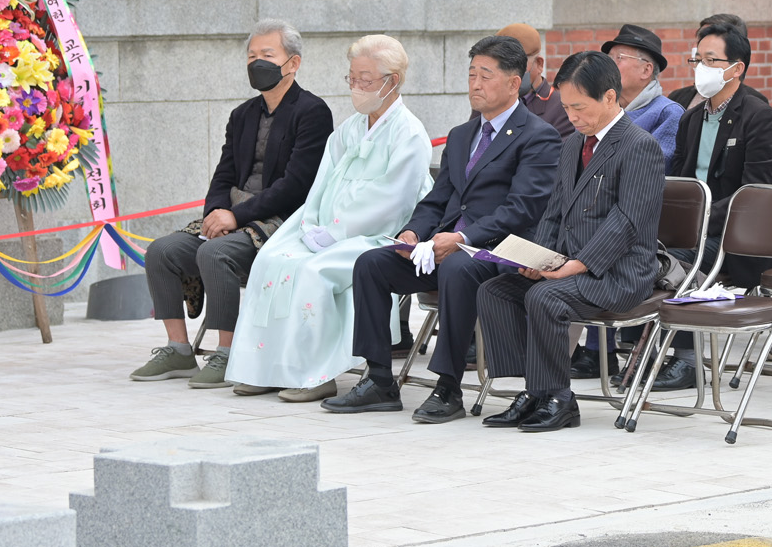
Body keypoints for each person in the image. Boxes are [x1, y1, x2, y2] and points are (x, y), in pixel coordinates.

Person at [322, 35, 563, 421]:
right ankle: (379, 379)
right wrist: (413, 232)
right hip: (446, 245)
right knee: (371, 264)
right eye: (471, 75)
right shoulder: (462, 135)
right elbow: (438, 199)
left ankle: (448, 388)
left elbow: (522, 208)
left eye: (485, 76)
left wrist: (464, 238)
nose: (475, 85)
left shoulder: (538, 136)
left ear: (514, 83)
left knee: (457, 267)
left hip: (499, 249)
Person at [224, 36, 433, 400]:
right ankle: (266, 367)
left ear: (392, 81)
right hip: (324, 226)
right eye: (352, 78)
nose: (357, 86)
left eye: (366, 79)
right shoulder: (350, 129)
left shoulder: (409, 133)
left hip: (374, 234)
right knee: (270, 260)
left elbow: (391, 201)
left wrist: (337, 232)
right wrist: (311, 224)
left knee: (311, 272)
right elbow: (321, 183)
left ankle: (313, 374)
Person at [129, 21, 334, 386]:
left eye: (267, 55)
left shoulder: (312, 112)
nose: (257, 63)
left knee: (215, 253)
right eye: (251, 56)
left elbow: (296, 186)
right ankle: (178, 350)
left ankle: (228, 354)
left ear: (293, 63)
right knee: (162, 251)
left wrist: (235, 216)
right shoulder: (242, 115)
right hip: (233, 217)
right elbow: (223, 175)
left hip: (281, 221)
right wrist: (215, 214)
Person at [476, 51, 666, 432]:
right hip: (568, 265)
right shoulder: (572, 145)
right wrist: (538, 259)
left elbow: (627, 222)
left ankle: (559, 398)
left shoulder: (639, 145)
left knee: (544, 298)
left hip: (618, 272)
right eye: (566, 107)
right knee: (494, 291)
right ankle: (535, 388)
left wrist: (577, 265)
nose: (572, 116)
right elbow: (553, 212)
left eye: (579, 107)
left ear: (609, 97)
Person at [655, 22, 772, 390]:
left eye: (711, 60)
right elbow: (680, 182)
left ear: (736, 68)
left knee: (675, 258)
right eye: (697, 59)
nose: (700, 67)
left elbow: (757, 193)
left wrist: (699, 221)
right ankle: (645, 352)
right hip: (696, 230)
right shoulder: (691, 118)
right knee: (642, 249)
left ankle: (687, 360)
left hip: (741, 237)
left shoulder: (759, 117)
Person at [602, 24, 682, 169]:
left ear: (646, 70)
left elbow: (652, 168)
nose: (608, 65)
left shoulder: (668, 113)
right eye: (608, 58)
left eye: (619, 58)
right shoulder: (601, 109)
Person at [668, 14, 762, 109]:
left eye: (710, 59)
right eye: (700, 40)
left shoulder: (756, 107)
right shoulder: (676, 98)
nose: (700, 46)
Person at [497, 23, 573, 136]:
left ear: (539, 64)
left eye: (517, 65)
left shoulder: (561, 107)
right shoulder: (491, 102)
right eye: (502, 66)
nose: (509, 73)